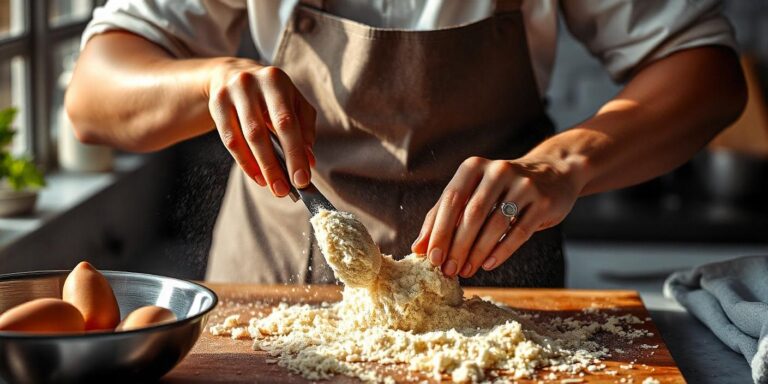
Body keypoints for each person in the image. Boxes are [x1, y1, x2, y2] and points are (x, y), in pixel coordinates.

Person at [66, 0, 746, 286]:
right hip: (274, 278)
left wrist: (563, 163)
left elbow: (706, 72)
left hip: (499, 287)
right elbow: (92, 99)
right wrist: (208, 80)